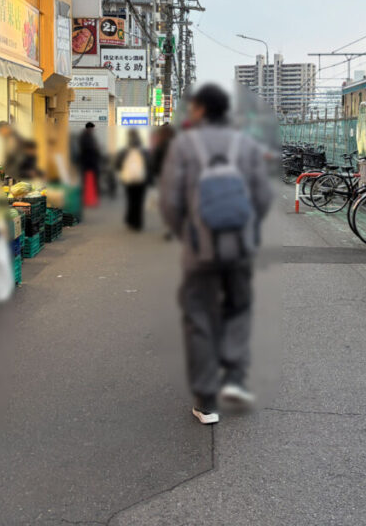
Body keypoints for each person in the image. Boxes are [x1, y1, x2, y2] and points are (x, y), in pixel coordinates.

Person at [160, 84, 272, 425]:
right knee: (237, 310)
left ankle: (207, 401)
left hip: (200, 250)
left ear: (200, 110)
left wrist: (188, 233)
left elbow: (170, 201)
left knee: (200, 316)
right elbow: (263, 198)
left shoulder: (184, 146)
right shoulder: (247, 145)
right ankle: (235, 382)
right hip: (239, 248)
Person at [115, 129, 150, 231]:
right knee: (139, 201)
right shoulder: (143, 151)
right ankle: (138, 223)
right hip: (141, 179)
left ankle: (130, 221)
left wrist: (123, 170)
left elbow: (117, 164)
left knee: (130, 200)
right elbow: (149, 164)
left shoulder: (125, 151)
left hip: (129, 180)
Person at [78, 122, 102, 208]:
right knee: (88, 181)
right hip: (88, 162)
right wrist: (96, 148)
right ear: (89, 128)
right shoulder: (85, 137)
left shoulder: (88, 136)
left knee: (91, 181)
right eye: (92, 129)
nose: (93, 130)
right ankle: (88, 199)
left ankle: (91, 199)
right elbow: (88, 148)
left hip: (90, 162)